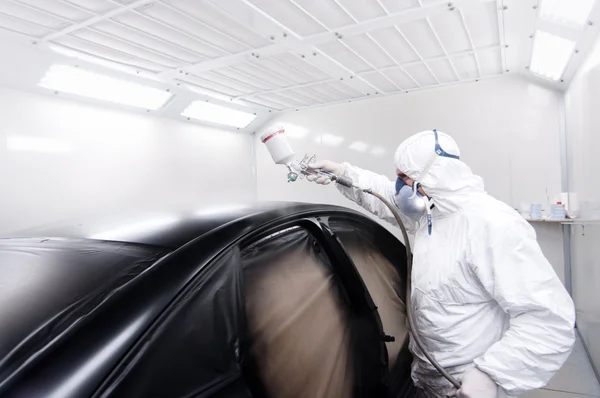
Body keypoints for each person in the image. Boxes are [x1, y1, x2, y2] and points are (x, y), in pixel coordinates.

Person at [307, 130, 576, 398]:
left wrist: (493, 375)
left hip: (470, 384)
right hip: (428, 376)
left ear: (434, 177)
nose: (398, 187)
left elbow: (548, 320)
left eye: (404, 178)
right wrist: (342, 173)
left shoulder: (493, 226)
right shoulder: (432, 213)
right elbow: (383, 195)